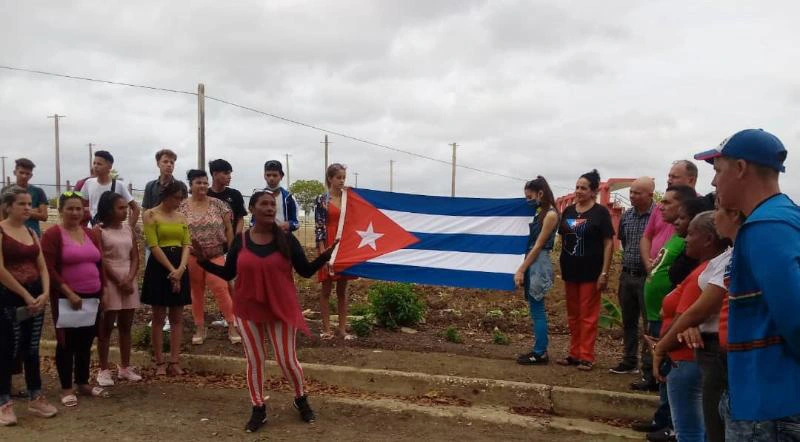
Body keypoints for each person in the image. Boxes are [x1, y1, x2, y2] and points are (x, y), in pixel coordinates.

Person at [197, 191, 337, 433]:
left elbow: (304, 271)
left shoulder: (286, 239)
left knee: (287, 360)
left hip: (281, 308)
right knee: (255, 360)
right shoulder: (241, 240)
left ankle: (300, 397)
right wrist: (203, 262)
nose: (270, 208)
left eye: (273, 204)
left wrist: (324, 257)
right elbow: (229, 273)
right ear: (252, 209)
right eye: (264, 204)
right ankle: (258, 408)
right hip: (248, 308)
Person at [694, 128, 800, 440]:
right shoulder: (786, 216)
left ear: (740, 168)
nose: (713, 183)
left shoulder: (764, 227)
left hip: (768, 407)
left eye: (718, 170)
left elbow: (795, 316)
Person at [653, 201, 741, 442]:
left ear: (709, 239)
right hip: (700, 354)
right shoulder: (717, 263)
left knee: (694, 431)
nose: (686, 238)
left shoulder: (719, 266)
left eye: (692, 233)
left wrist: (660, 347)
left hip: (694, 355)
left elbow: (694, 312)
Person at [632, 184, 698, 441]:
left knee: (672, 371)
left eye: (668, 203)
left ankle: (673, 426)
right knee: (664, 372)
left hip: (673, 318)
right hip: (658, 314)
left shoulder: (689, 241)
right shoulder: (674, 235)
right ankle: (663, 420)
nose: (661, 206)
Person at [635, 160, 699, 391]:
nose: (669, 179)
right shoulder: (667, 223)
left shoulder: (697, 217)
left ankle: (666, 412)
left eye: (675, 176)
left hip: (675, 311)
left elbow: (689, 274)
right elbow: (647, 236)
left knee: (670, 360)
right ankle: (651, 379)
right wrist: (650, 267)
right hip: (657, 302)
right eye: (669, 176)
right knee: (652, 341)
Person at [41, 191, 108, 407]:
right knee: (66, 342)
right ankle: (66, 387)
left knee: (86, 341)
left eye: (78, 208)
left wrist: (103, 291)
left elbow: (100, 263)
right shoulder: (53, 235)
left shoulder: (90, 234)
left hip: (92, 297)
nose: (75, 212)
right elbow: (48, 268)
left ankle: (82, 382)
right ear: (60, 211)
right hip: (66, 297)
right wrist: (68, 292)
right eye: (70, 208)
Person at [0, 187, 57, 426]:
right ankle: (4, 402)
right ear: (8, 206)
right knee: (7, 349)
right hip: (9, 299)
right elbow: (0, 270)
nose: (28, 208)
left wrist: (45, 292)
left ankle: (35, 396)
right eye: (22, 204)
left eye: (29, 204)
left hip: (36, 297)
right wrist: (24, 294)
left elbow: (42, 265)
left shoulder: (31, 232)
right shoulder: (1, 231)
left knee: (31, 349)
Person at [556, 169, 614, 371]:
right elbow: (563, 237)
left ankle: (586, 356)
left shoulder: (601, 213)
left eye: (584, 188)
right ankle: (573, 353)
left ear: (593, 191)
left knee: (588, 315)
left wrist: (604, 272)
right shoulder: (569, 212)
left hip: (592, 271)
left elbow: (608, 243)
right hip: (570, 270)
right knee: (573, 315)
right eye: (577, 187)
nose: (579, 191)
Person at [179, 169, 239, 345]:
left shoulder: (219, 204)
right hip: (193, 256)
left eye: (205, 182)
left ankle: (232, 325)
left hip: (216, 254)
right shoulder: (182, 206)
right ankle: (199, 327)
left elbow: (229, 228)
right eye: (198, 182)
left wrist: (232, 250)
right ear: (191, 185)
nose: (203, 186)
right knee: (196, 292)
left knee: (221, 288)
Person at [141, 181, 191, 376]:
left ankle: (174, 360)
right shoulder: (151, 215)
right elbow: (153, 245)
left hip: (180, 263)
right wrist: (172, 270)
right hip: (159, 266)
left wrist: (181, 269)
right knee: (159, 316)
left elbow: (186, 244)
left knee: (177, 316)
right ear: (166, 195)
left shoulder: (182, 217)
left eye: (181, 198)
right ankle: (160, 360)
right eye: (176, 197)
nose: (179, 202)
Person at [94, 191, 142, 387]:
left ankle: (125, 367)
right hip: (109, 280)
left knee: (126, 326)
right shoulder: (99, 231)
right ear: (108, 210)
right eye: (120, 208)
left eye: (125, 208)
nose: (125, 212)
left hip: (128, 279)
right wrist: (117, 280)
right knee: (106, 326)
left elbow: (135, 256)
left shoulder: (128, 229)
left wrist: (130, 278)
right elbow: (100, 258)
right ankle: (103, 369)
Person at [609, 177, 655, 375]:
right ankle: (629, 360)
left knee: (649, 324)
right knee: (629, 321)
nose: (632, 196)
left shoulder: (658, 216)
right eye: (631, 192)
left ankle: (648, 366)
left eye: (637, 193)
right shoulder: (626, 217)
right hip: (627, 275)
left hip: (648, 278)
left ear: (650, 195)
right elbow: (625, 243)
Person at [513, 176, 559, 365]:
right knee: (534, 308)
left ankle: (540, 352)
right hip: (533, 261)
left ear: (540, 193)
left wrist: (521, 270)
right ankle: (539, 349)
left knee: (537, 308)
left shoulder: (550, 215)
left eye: (529, 196)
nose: (528, 200)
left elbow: (539, 245)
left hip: (538, 263)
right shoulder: (540, 212)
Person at [141, 149, 187, 333]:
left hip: (173, 238)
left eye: (172, 162)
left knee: (175, 279)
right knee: (156, 278)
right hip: (154, 238)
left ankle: (171, 317)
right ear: (158, 163)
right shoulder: (150, 186)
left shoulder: (179, 185)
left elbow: (181, 211)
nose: (169, 165)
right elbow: (146, 208)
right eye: (165, 161)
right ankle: (159, 316)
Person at [315, 163, 357, 340]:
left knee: (343, 289)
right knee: (326, 288)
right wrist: (323, 252)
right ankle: (326, 329)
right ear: (330, 178)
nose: (341, 181)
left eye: (343, 178)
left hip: (345, 247)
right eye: (338, 177)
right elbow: (319, 227)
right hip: (328, 244)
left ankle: (342, 329)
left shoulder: (350, 198)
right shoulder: (322, 200)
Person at [81, 150, 140, 228]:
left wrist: (130, 229)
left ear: (110, 166)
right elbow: (80, 205)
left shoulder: (119, 185)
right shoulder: (88, 183)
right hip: (93, 228)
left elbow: (136, 208)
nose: (95, 166)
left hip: (113, 231)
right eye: (94, 163)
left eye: (99, 164)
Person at [0, 159, 48, 237]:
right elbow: (2, 213)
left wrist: (17, 210)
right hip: (10, 235)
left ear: (31, 175)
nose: (24, 176)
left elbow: (44, 216)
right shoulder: (5, 191)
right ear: (15, 172)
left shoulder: (38, 191)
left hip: (32, 235)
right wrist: (34, 211)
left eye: (27, 173)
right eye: (21, 172)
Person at [208, 159, 247, 235]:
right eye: (226, 173)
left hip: (231, 241)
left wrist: (236, 239)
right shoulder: (205, 194)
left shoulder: (235, 194)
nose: (229, 177)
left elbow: (240, 219)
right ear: (215, 174)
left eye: (230, 174)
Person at [261, 160, 298, 233]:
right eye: (268, 175)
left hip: (283, 239)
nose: (271, 178)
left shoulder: (289, 197)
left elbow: (296, 223)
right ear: (264, 176)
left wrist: (288, 225)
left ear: (281, 176)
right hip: (262, 239)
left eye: (275, 175)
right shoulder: (258, 197)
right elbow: (252, 223)